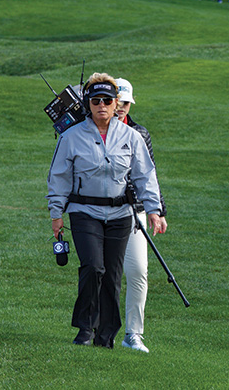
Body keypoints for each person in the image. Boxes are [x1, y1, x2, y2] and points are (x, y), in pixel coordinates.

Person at [47, 73, 165, 348]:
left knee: (112, 275)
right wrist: (56, 214)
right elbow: (59, 176)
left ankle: (106, 335)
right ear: (88, 103)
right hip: (83, 211)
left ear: (116, 104)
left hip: (120, 214)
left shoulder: (131, 137)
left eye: (108, 101)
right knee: (93, 267)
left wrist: (154, 210)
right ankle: (85, 328)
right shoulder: (71, 136)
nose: (102, 105)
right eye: (96, 100)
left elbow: (145, 175)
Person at [112, 78, 167, 354]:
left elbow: (150, 174)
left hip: (136, 212)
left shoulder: (140, 133)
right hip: (102, 210)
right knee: (104, 272)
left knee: (138, 271)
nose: (121, 108)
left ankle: (133, 334)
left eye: (125, 103)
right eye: (117, 102)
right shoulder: (92, 132)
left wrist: (158, 211)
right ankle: (99, 328)